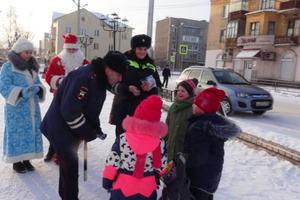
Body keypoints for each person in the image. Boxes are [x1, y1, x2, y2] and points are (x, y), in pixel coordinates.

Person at [40, 51, 128, 200]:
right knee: (70, 168)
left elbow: (89, 108)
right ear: (108, 69)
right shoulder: (85, 78)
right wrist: (88, 132)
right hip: (60, 127)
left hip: (69, 128)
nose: (120, 79)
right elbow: (71, 112)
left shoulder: (98, 77)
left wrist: (95, 128)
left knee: (68, 167)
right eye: (118, 74)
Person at [102, 95, 168, 200]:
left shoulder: (123, 138)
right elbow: (162, 167)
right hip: (147, 190)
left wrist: (107, 181)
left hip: (122, 188)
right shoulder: (159, 143)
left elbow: (113, 161)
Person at [184, 87, 241, 200]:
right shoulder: (214, 124)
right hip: (210, 177)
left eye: (195, 103)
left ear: (202, 107)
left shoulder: (199, 127)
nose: (192, 105)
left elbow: (198, 156)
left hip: (198, 178)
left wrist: (184, 163)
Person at [0, 37, 46, 173]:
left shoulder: (33, 67)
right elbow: (3, 86)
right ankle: (16, 161)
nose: (29, 54)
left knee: (30, 131)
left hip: (32, 106)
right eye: (26, 52)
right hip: (16, 108)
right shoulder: (8, 67)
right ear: (19, 52)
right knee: (17, 133)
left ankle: (27, 159)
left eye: (30, 52)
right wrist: (21, 92)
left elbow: (38, 82)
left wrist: (39, 89)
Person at [43, 33, 90, 163]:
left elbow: (91, 79)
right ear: (65, 49)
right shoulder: (56, 60)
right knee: (56, 126)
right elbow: (48, 77)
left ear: (78, 49)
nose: (71, 52)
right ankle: (52, 150)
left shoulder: (84, 62)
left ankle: (67, 154)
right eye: (69, 49)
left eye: (74, 49)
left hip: (78, 100)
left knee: (73, 127)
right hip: (60, 98)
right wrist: (63, 82)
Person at [109, 34, 162, 138]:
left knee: (139, 143)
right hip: (124, 109)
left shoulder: (151, 64)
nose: (142, 51)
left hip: (143, 111)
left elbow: (158, 86)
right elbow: (112, 85)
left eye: (145, 49)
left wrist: (151, 88)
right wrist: (128, 88)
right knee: (123, 143)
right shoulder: (123, 61)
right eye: (139, 48)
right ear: (134, 48)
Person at [161, 79, 198, 200]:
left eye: (183, 91)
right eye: (178, 90)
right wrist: (163, 141)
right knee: (169, 177)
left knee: (181, 180)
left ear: (190, 93)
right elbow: (167, 126)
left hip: (184, 153)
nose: (180, 93)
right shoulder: (173, 107)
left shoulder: (193, 109)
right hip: (171, 150)